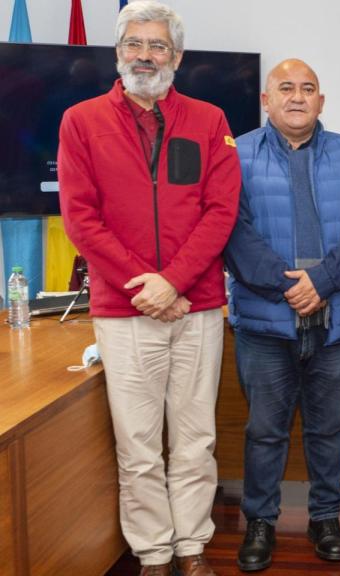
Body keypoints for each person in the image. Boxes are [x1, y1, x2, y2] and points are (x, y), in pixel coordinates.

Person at [57, 2, 240, 575]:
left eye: (157, 46)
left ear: (177, 57)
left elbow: (221, 210)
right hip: (123, 308)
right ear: (117, 53)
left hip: (198, 307)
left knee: (195, 439)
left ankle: (190, 549)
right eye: (134, 44)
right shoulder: (80, 121)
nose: (144, 55)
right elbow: (80, 219)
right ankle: (153, 554)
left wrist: (175, 282)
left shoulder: (210, 120)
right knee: (137, 445)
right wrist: (149, 286)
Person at [224, 59, 340, 571]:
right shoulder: (235, 155)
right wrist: (289, 287)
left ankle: (325, 516)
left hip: (337, 322)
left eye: (308, 88)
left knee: (328, 429)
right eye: (286, 88)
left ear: (321, 101)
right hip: (266, 324)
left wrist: (323, 282)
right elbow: (231, 232)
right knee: (265, 431)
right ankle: (262, 522)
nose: (298, 96)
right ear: (266, 101)